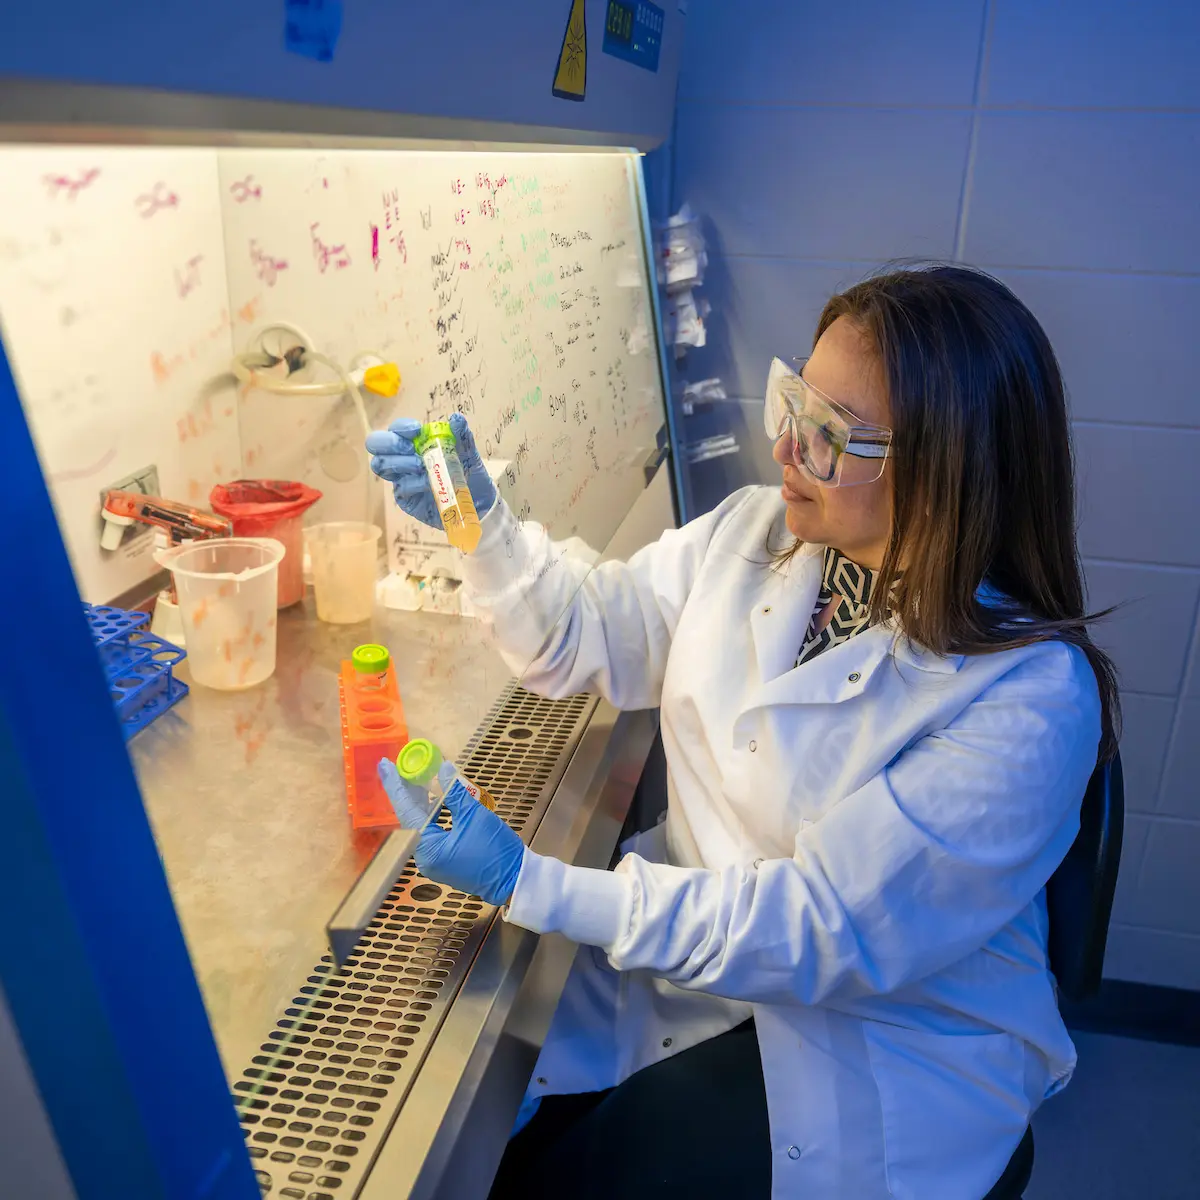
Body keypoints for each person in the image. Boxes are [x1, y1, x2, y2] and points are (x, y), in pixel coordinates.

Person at [365, 264, 1119, 1200]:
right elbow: (583, 639)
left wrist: (533, 884)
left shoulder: (1031, 699)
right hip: (690, 963)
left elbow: (813, 928)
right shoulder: (758, 533)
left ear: (949, 471)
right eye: (793, 400)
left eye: (832, 436)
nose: (787, 451)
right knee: (499, 1151)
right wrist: (479, 523)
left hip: (880, 1042)